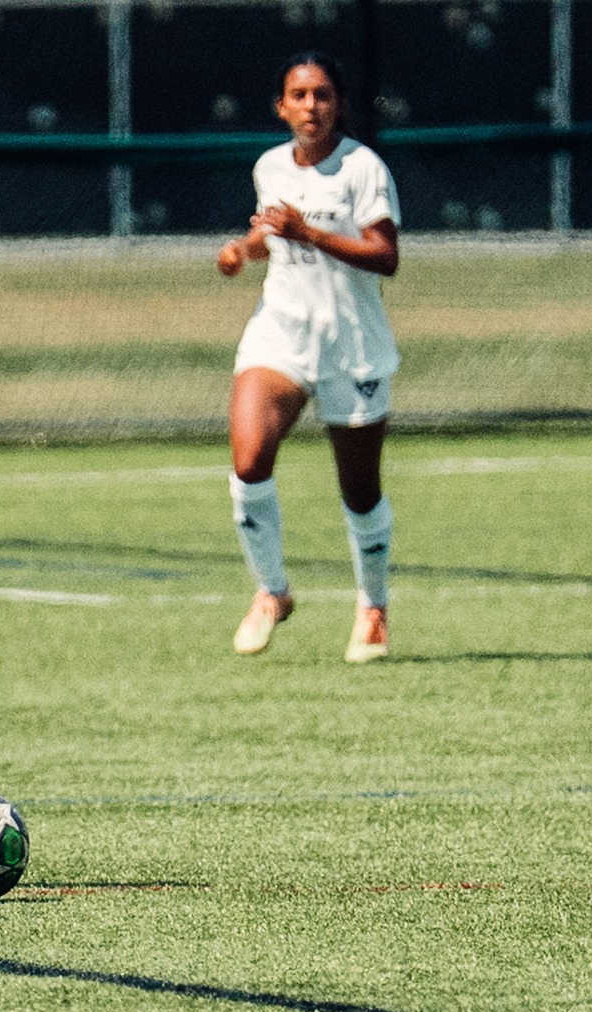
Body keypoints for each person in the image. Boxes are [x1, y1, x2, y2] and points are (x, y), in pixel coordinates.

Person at [215, 52, 401, 664]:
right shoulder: (269, 166)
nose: (311, 106)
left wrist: (311, 234)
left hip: (351, 343)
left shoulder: (362, 169)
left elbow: (385, 256)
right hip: (282, 334)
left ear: (338, 104)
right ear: (281, 107)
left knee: (360, 492)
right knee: (249, 460)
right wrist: (244, 249)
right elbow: (272, 232)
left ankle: (372, 608)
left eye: (322, 95)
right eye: (298, 96)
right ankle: (272, 592)